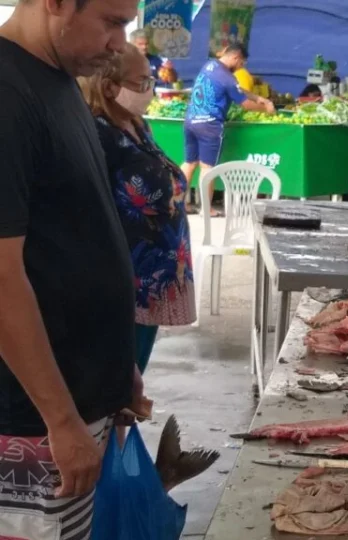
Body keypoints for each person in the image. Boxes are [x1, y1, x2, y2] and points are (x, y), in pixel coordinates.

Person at [0, 0, 145, 535]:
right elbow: (1, 278)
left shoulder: (56, 79)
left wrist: (115, 369)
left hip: (76, 398)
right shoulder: (6, 92)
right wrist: (61, 420)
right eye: (112, 22)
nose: (119, 44)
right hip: (28, 420)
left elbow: (76, 233)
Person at [78, 44, 197, 374]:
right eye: (142, 82)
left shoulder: (138, 125)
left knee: (134, 373)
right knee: (118, 375)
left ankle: (124, 422)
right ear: (109, 86)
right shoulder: (98, 134)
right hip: (128, 282)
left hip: (158, 278)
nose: (151, 90)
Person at [181, 44, 275, 216]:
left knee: (189, 163)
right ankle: (206, 209)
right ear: (236, 58)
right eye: (241, 63)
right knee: (207, 167)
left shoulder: (209, 66)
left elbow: (236, 89)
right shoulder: (226, 77)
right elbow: (245, 105)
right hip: (209, 125)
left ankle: (179, 204)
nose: (241, 68)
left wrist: (258, 97)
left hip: (190, 121)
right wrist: (266, 108)